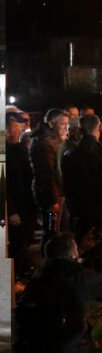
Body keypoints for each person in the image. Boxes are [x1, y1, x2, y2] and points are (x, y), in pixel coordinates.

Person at [60, 114, 102, 242]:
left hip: (78, 207)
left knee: (81, 243)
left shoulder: (69, 154)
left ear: (80, 131)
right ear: (100, 128)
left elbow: (67, 184)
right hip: (101, 208)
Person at [30, 108, 70, 248]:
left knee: (59, 228)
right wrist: (53, 200)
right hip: (51, 195)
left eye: (67, 124)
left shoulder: (56, 140)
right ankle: (50, 257)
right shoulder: (43, 143)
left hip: (59, 192)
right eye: (62, 124)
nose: (66, 127)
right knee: (51, 230)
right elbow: (46, 175)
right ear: (51, 124)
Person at [6, 111, 36, 276]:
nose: (20, 129)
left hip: (26, 203)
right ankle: (13, 276)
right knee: (16, 243)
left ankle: (22, 271)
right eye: (16, 126)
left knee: (24, 240)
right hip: (15, 207)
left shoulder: (19, 148)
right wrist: (11, 211)